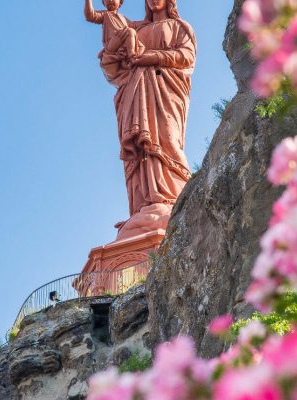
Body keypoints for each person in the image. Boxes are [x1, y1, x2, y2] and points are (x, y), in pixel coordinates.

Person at [98, 0, 197, 240]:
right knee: (140, 150)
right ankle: (143, 208)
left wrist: (150, 57)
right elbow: (113, 67)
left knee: (166, 140)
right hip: (134, 95)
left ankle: (173, 198)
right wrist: (114, 48)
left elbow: (186, 56)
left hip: (165, 92)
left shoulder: (179, 27)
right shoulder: (135, 29)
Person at [84, 0, 145, 80]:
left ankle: (131, 56)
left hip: (125, 43)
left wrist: (146, 22)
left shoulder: (122, 17)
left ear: (120, 2)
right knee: (130, 31)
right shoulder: (105, 15)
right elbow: (90, 15)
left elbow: (133, 24)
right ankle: (131, 56)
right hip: (114, 45)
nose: (111, 0)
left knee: (132, 33)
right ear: (103, 3)